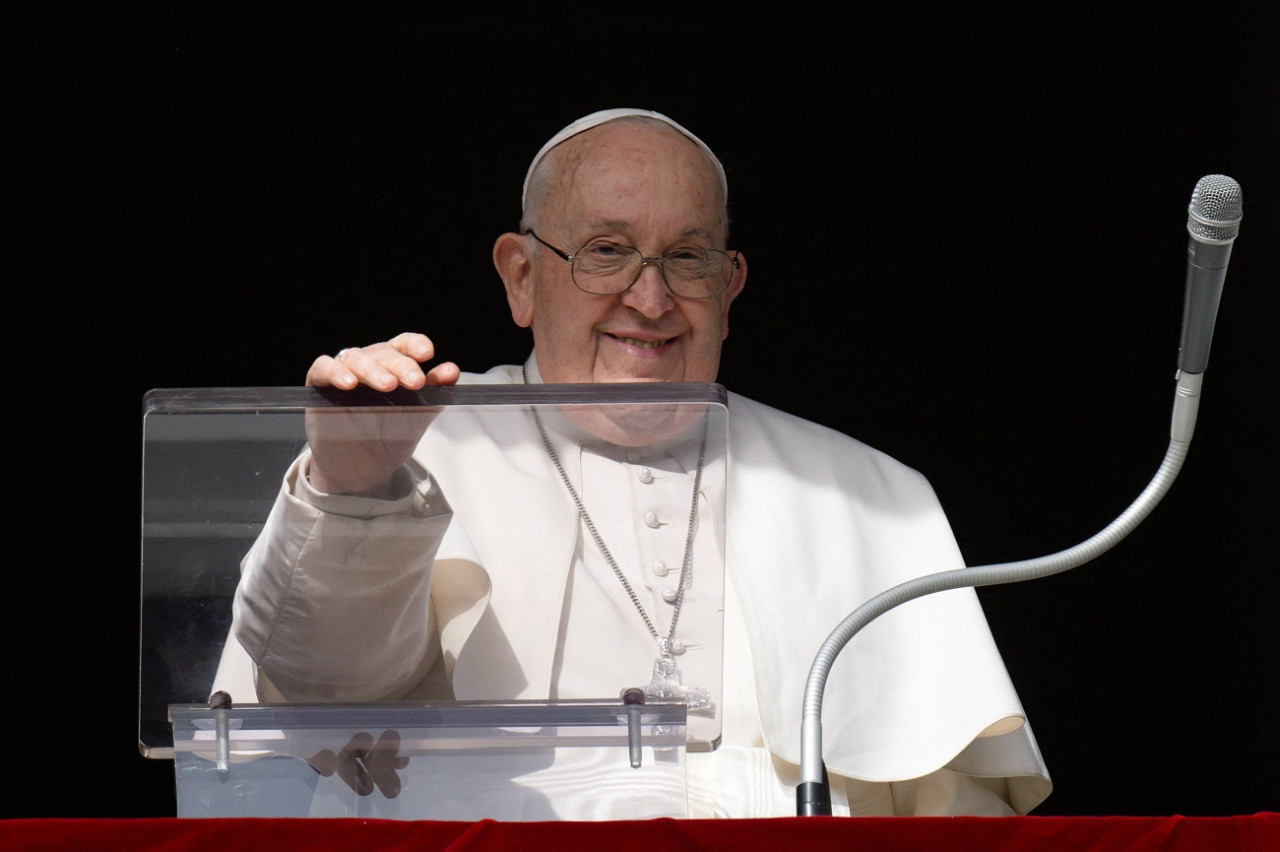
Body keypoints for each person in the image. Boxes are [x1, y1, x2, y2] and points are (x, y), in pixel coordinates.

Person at [215, 108, 1052, 818]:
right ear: (521, 277)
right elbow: (319, 687)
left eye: (686, 258)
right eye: (606, 251)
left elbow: (952, 813)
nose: (649, 300)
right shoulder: (413, 442)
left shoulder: (866, 498)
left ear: (729, 285)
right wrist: (355, 489)